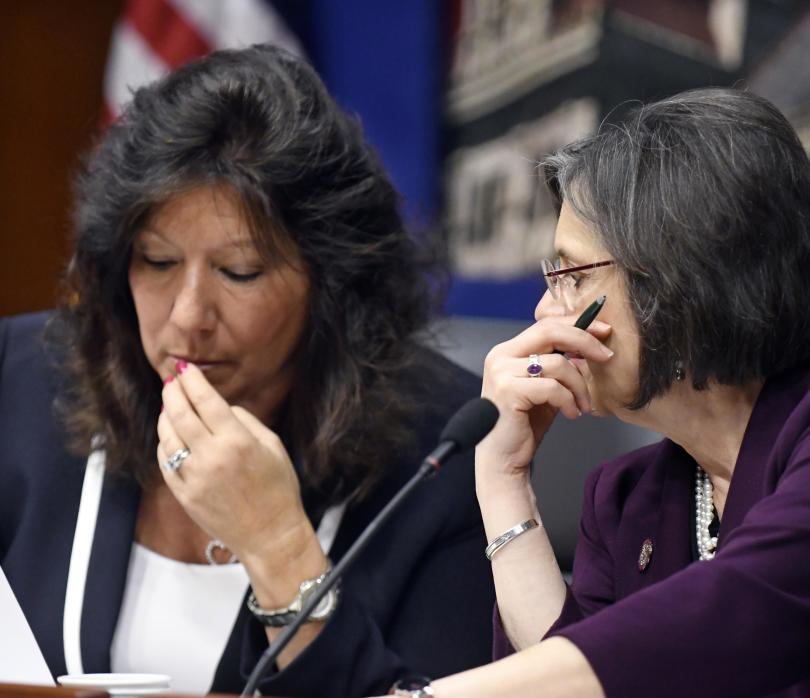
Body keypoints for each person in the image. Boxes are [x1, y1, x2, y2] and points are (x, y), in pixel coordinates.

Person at [389, 88, 810, 696]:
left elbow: (728, 626)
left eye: (571, 276)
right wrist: (503, 482)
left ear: (684, 280)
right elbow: (568, 677)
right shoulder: (626, 499)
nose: (542, 312)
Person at [0, 45, 495, 697]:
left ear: (331, 284)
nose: (187, 318)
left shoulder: (448, 451)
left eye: (240, 273)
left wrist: (278, 546)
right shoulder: (25, 374)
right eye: (155, 262)